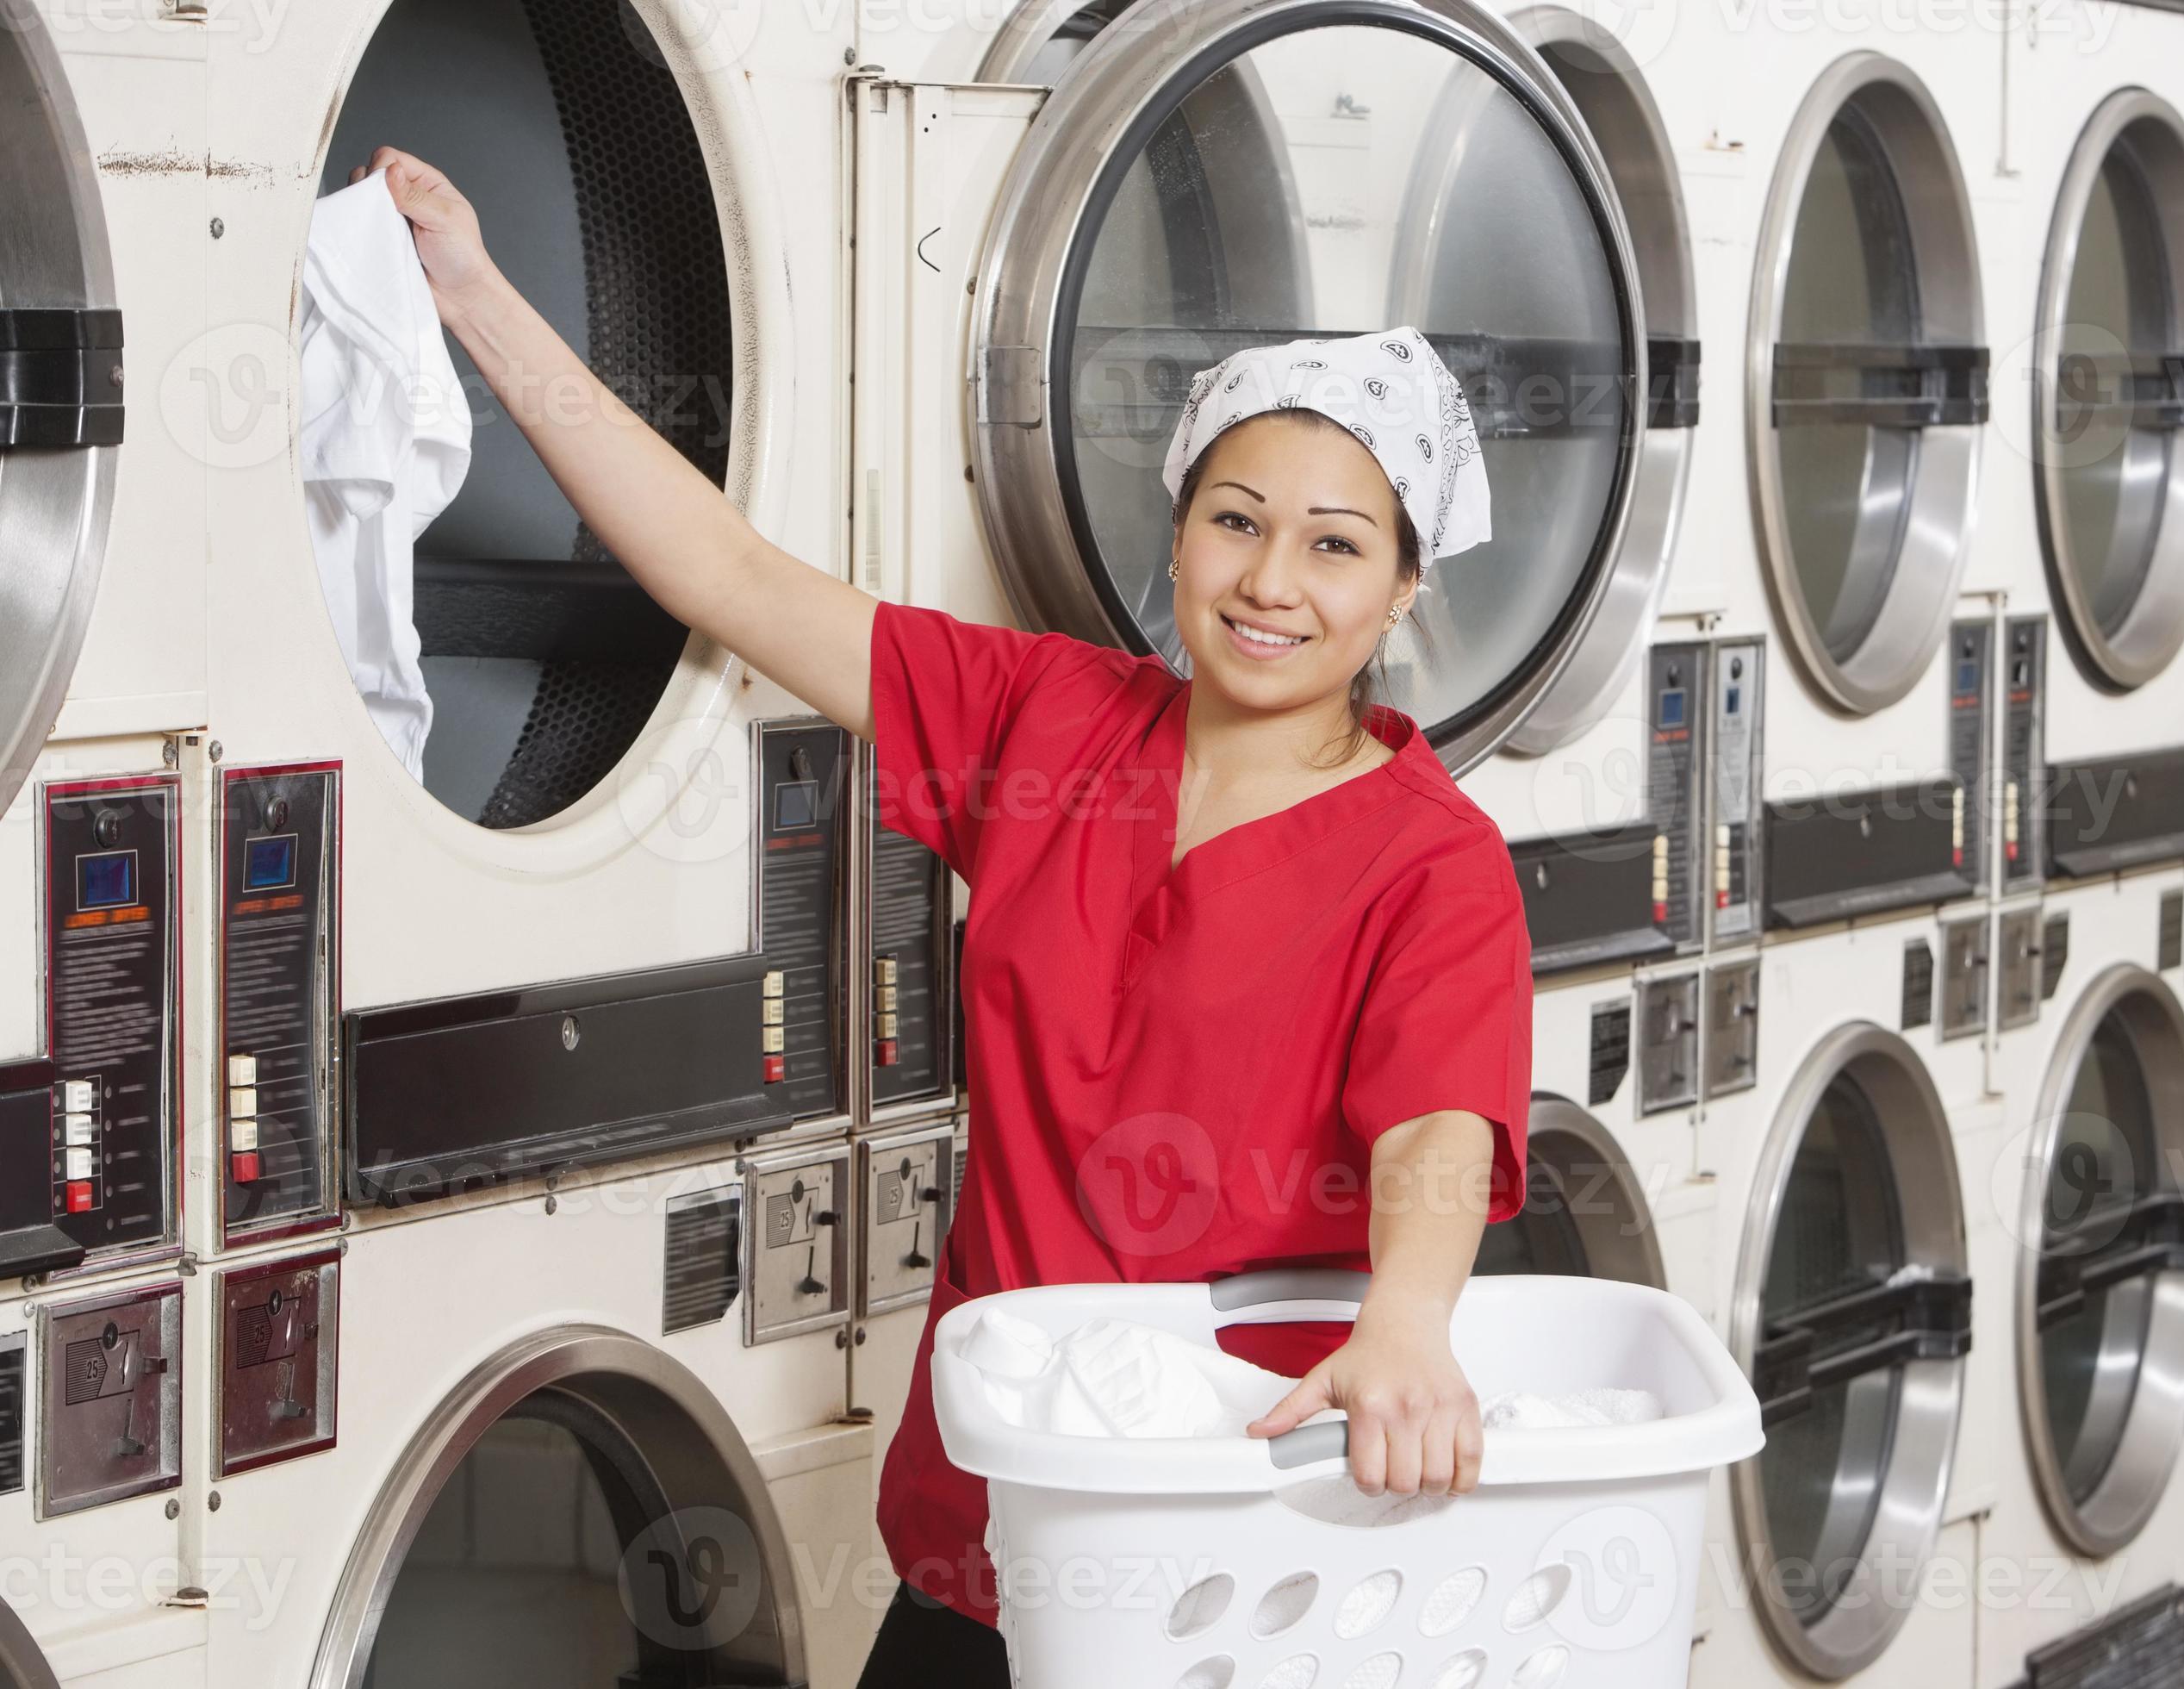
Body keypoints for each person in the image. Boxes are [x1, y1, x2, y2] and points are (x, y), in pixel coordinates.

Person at [354, 144, 1534, 1686]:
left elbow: (1438, 1128)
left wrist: (1412, 1322)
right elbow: (726, 574)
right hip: (992, 1516)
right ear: (1176, 529)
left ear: (1401, 592)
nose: (1271, 581)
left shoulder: (1431, 860)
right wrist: (473, 294)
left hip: (1248, 1553)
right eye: (1237, 519)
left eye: (1336, 545)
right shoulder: (1051, 723)